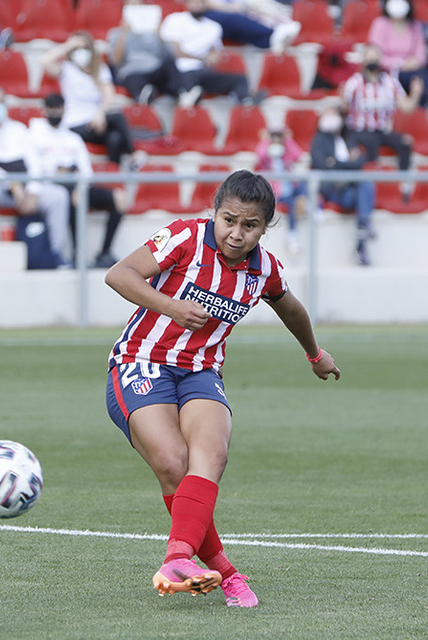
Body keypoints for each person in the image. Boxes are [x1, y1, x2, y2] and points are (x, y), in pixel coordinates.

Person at [103, 169, 340, 608]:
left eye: (250, 225)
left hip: (201, 371)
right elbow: (120, 274)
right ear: (214, 212)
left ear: (265, 228)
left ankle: (177, 560)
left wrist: (314, 354)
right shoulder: (185, 237)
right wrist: (171, 306)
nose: (236, 233)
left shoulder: (264, 269)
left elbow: (291, 309)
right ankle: (227, 573)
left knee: (211, 456)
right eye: (229, 220)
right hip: (141, 361)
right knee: (173, 462)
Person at [0, 86, 72, 263]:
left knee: (58, 196)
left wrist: (33, 191)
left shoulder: (18, 129)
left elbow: (34, 162)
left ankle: (57, 253)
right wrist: (13, 185)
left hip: (25, 189)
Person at [28, 93, 128, 268]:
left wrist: (78, 184)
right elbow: (35, 169)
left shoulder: (73, 138)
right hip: (52, 187)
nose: (55, 114)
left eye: (58, 110)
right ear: (44, 110)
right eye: (52, 110)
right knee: (72, 199)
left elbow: (86, 171)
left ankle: (104, 252)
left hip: (77, 185)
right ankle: (78, 255)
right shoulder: (34, 135)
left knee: (119, 197)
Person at [40, 31, 137, 167]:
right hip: (74, 124)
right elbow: (45, 61)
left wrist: (100, 113)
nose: (81, 52)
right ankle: (133, 155)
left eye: (84, 48)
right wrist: (69, 45)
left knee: (115, 138)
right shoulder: (67, 69)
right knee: (118, 117)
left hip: (96, 123)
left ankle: (113, 173)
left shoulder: (100, 70)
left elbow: (109, 95)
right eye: (77, 49)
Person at [340, 44, 423, 194]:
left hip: (381, 130)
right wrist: (342, 95)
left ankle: (403, 184)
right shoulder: (355, 82)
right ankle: (368, 188)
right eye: (369, 57)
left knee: (405, 143)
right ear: (364, 60)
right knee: (370, 144)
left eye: (375, 57)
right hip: (359, 130)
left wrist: (415, 94)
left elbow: (407, 107)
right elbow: (343, 106)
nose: (372, 61)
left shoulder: (390, 82)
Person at [310, 99, 378, 266]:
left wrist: (337, 162)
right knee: (363, 189)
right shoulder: (319, 140)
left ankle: (362, 230)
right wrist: (348, 163)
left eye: (333, 113)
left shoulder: (348, 138)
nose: (330, 116)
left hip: (350, 188)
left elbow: (360, 162)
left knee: (366, 185)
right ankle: (363, 232)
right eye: (327, 113)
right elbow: (321, 164)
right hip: (333, 190)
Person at [160, 0, 256, 108]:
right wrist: (203, 58)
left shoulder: (214, 27)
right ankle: (186, 96)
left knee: (239, 79)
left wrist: (212, 59)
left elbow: (215, 54)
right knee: (175, 70)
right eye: (193, 2)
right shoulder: (175, 20)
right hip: (181, 71)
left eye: (200, 2)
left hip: (202, 72)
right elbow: (176, 52)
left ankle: (245, 102)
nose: (197, 5)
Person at [108, 0, 178, 104]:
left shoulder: (154, 33)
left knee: (170, 65)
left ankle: (182, 94)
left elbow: (170, 55)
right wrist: (123, 33)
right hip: (133, 71)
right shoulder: (116, 33)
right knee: (133, 79)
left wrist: (160, 35)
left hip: (155, 70)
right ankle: (144, 96)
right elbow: (115, 61)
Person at [253, 122, 307, 246]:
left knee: (304, 184)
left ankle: (312, 206)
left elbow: (298, 155)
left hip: (290, 188)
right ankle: (292, 235)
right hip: (277, 193)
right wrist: (266, 142)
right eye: (274, 136)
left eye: (279, 136)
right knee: (293, 203)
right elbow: (259, 156)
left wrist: (288, 140)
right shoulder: (266, 155)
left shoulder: (286, 151)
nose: (277, 139)